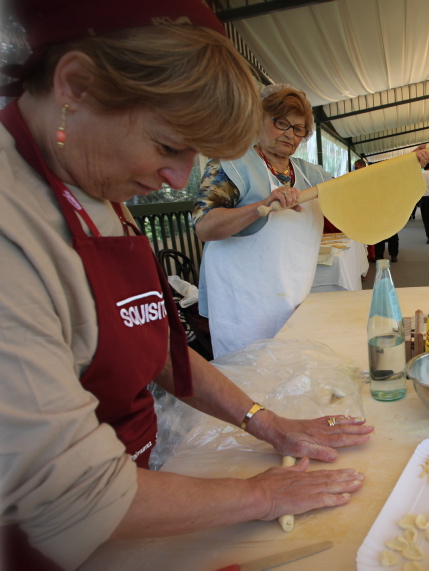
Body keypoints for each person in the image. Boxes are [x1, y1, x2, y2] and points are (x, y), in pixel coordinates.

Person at [0, 1, 375, 569]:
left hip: (142, 497)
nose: (178, 178)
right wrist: (261, 494)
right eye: (169, 146)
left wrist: (270, 425)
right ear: (74, 85)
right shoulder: (13, 226)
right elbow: (72, 498)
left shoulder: (94, 182)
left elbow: (161, 350)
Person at [194, 86, 429, 356]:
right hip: (243, 301)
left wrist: (407, 165)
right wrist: (260, 206)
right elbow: (205, 226)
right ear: (256, 119)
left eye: (298, 129)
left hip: (294, 294)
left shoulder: (311, 175)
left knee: (290, 364)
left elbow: (363, 191)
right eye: (280, 123)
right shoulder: (232, 164)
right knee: (249, 376)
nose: (289, 134)